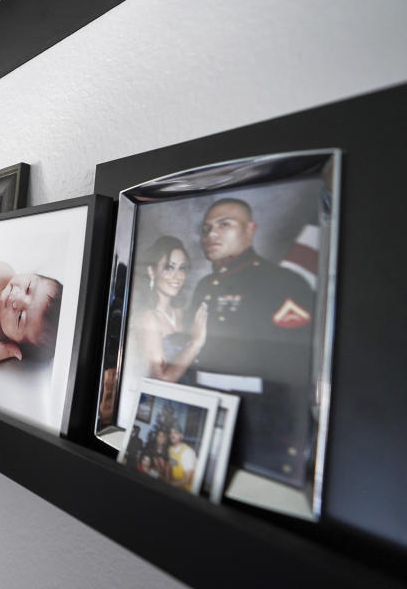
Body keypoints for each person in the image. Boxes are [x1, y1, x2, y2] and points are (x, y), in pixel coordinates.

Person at [188, 198, 315, 486]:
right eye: (207, 228)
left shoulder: (283, 283)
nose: (211, 235)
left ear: (251, 229)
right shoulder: (205, 286)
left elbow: (293, 371)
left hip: (259, 423)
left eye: (224, 225)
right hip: (204, 412)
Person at [134, 236, 207, 383]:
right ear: (151, 271)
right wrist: (195, 343)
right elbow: (159, 379)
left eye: (182, 268)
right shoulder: (149, 319)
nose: (177, 276)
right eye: (169, 267)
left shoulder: (182, 313)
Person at [167, 425, 197, 491]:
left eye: (175, 433)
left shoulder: (187, 452)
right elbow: (171, 466)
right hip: (174, 485)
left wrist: (168, 485)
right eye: (171, 433)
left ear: (181, 436)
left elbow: (187, 479)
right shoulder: (171, 449)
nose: (172, 435)